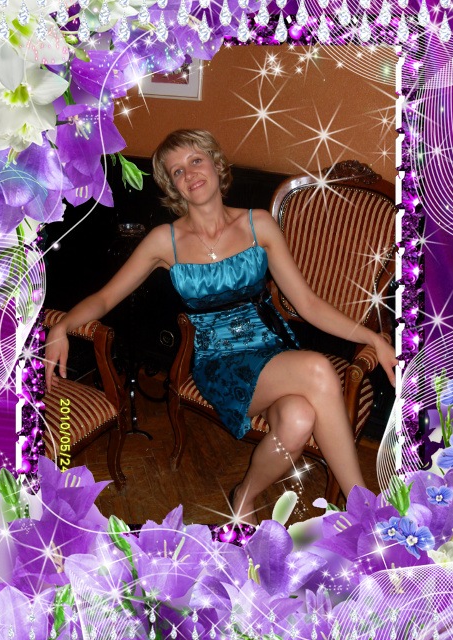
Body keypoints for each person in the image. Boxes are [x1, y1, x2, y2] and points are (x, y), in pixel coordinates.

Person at [45, 129, 398, 526]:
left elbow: (308, 303)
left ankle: (243, 496)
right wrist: (63, 326)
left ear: (216, 163)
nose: (190, 174)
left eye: (196, 160)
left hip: (271, 349)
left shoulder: (259, 224)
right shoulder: (165, 241)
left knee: (298, 418)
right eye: (178, 171)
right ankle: (367, 513)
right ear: (172, 185)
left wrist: (372, 337)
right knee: (318, 370)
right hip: (218, 361)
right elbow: (105, 297)